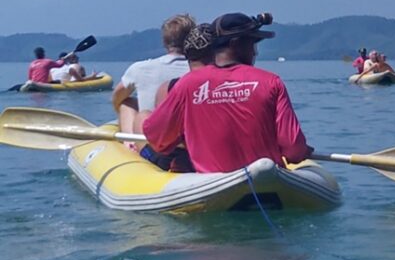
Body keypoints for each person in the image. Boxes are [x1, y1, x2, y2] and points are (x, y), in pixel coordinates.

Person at [143, 11, 312, 174]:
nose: (255, 52)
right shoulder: (271, 82)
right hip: (269, 189)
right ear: (235, 43)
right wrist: (302, 152)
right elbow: (293, 150)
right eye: (251, 44)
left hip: (211, 188)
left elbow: (156, 139)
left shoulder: (187, 84)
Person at [143, 23, 218, 172]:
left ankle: (136, 152)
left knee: (142, 117)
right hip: (219, 158)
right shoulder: (237, 85)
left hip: (180, 160)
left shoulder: (170, 87)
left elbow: (159, 138)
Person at [112, 14, 194, 138]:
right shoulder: (201, 70)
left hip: (150, 138)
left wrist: (121, 118)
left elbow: (117, 96)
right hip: (185, 135)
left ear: (165, 41)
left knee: (127, 102)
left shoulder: (139, 68)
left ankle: (130, 141)